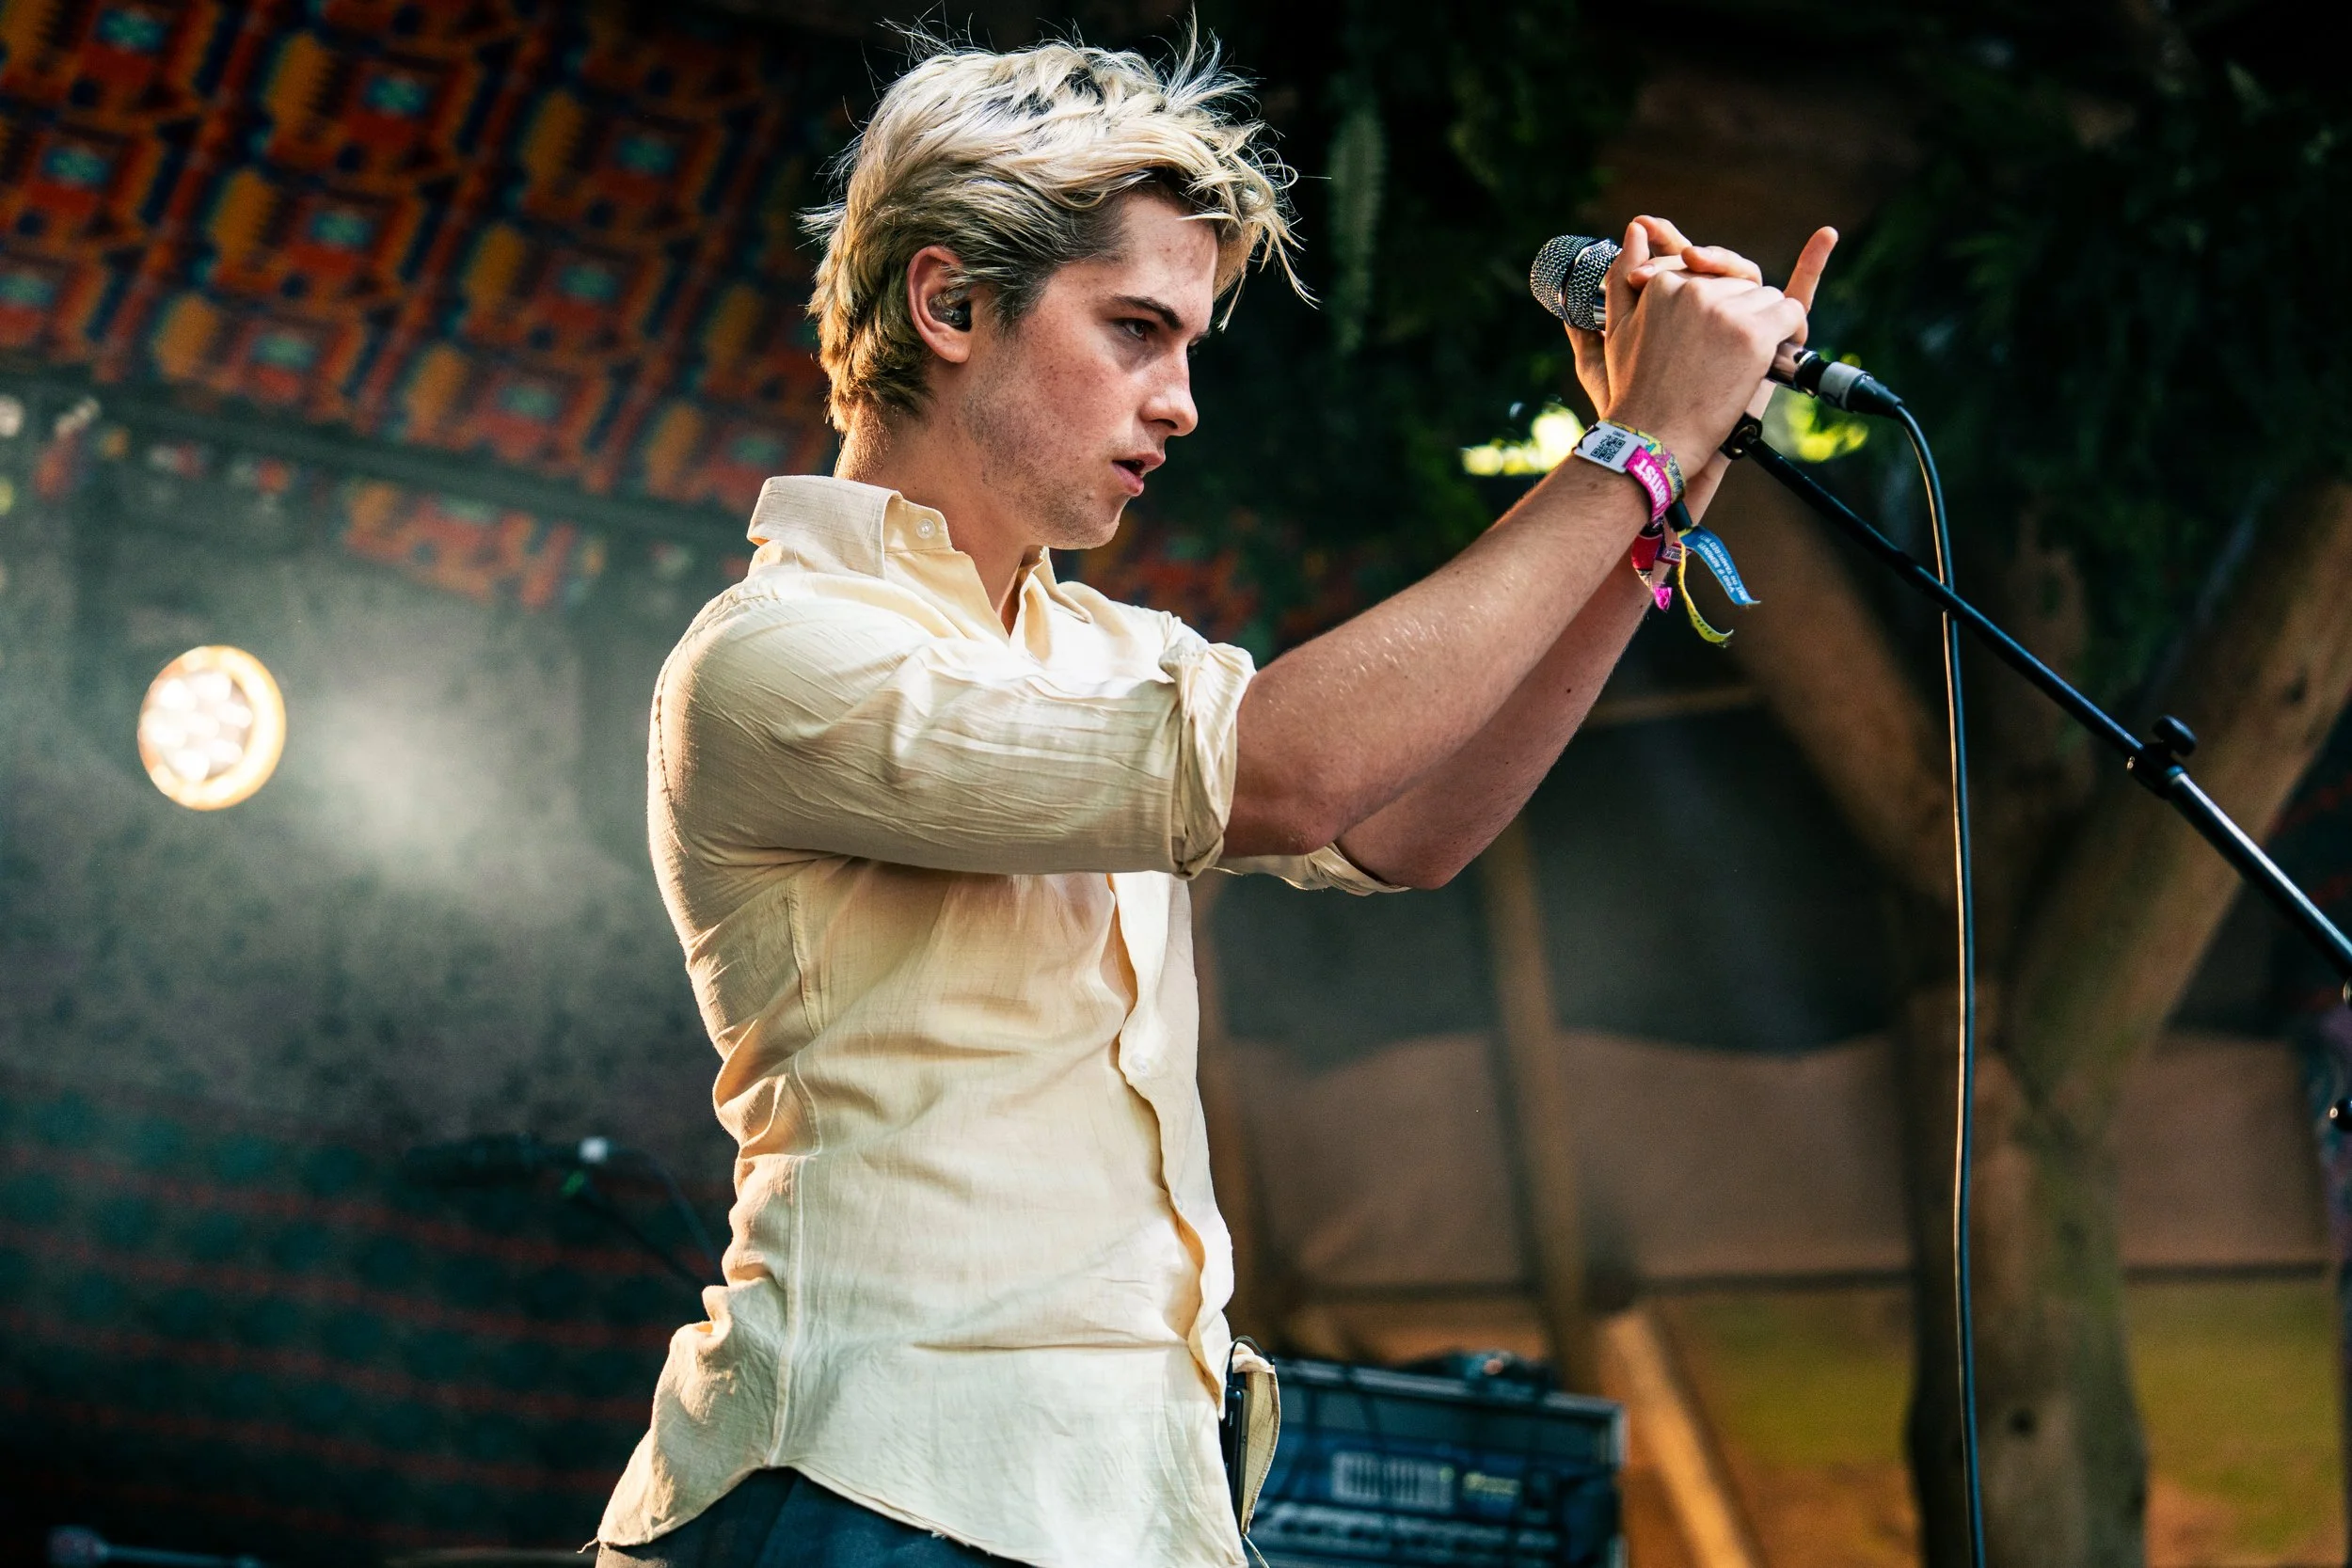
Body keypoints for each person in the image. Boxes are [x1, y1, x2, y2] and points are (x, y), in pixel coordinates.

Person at [596, 31, 1835, 1568]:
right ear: (951, 301)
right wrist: (1628, 449)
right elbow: (1292, 767)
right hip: (861, 1494)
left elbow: (1405, 822)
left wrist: (1668, 491)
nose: (1180, 403)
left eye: (1187, 345)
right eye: (1133, 330)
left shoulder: (1110, 651)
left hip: (1121, 1510)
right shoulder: (779, 656)